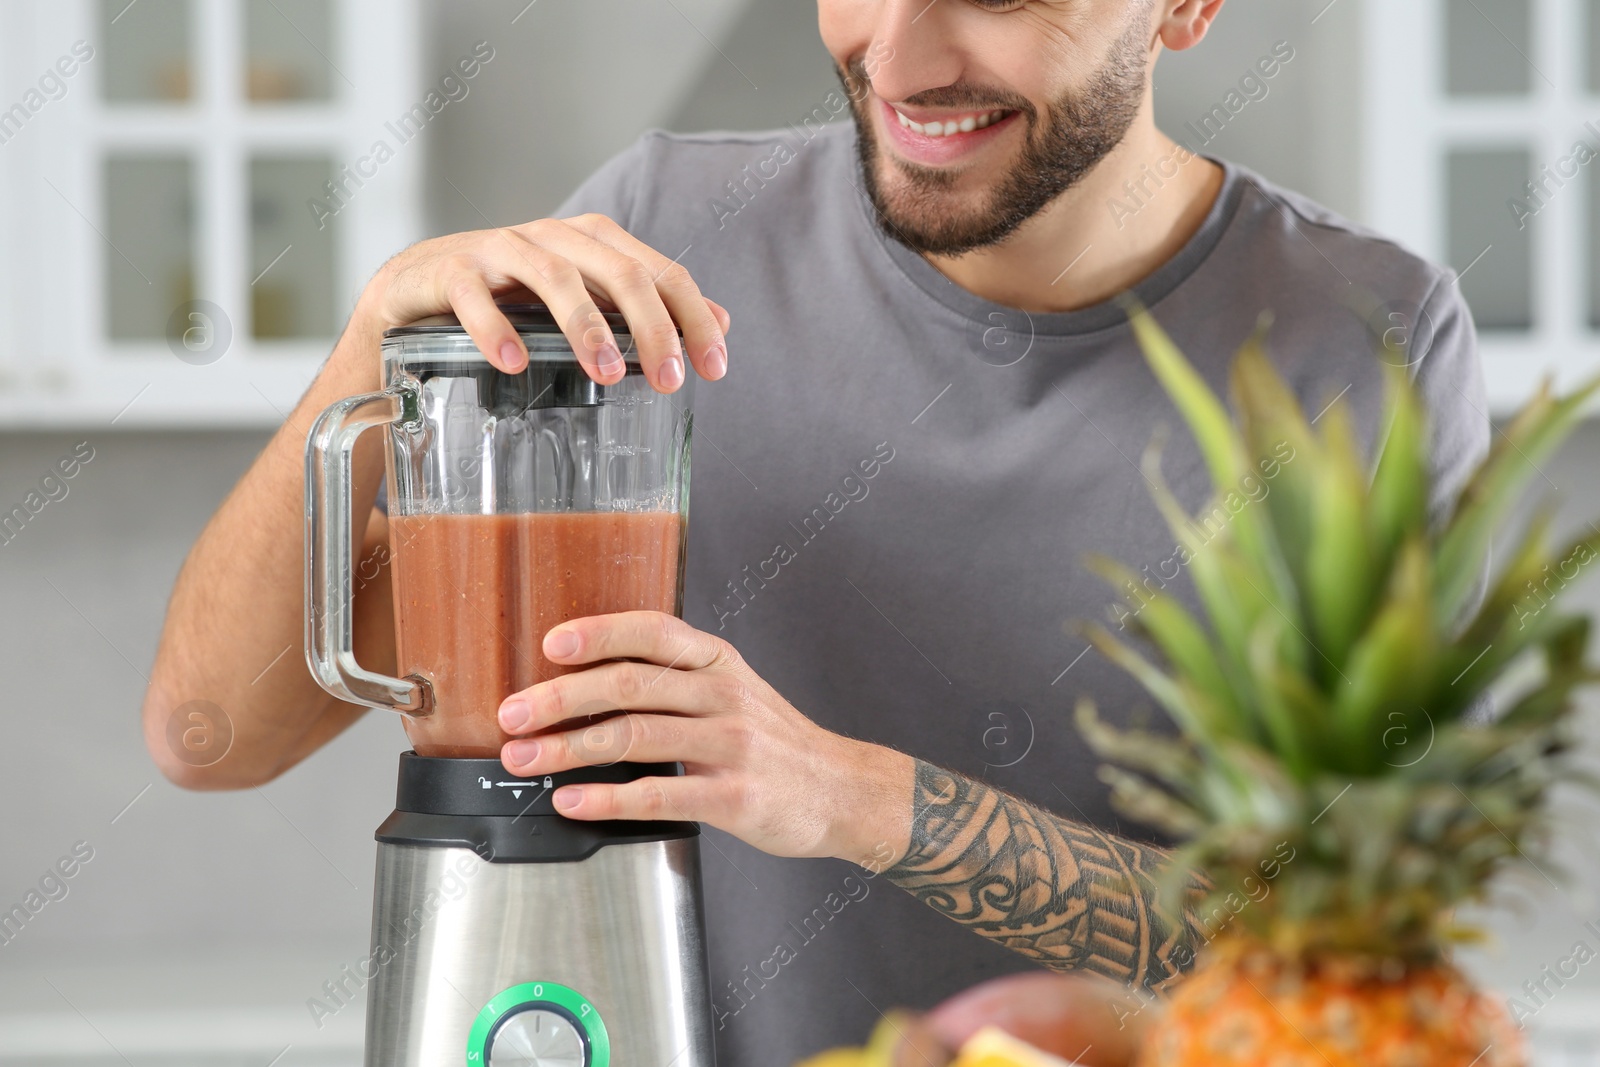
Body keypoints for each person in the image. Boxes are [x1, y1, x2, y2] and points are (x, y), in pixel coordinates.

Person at [143, 1, 1490, 1064]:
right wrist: (381, 340)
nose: (899, 55)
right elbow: (211, 735)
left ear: (1186, 7)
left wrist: (845, 797)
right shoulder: (658, 246)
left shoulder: (1362, 345)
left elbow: (1355, 968)